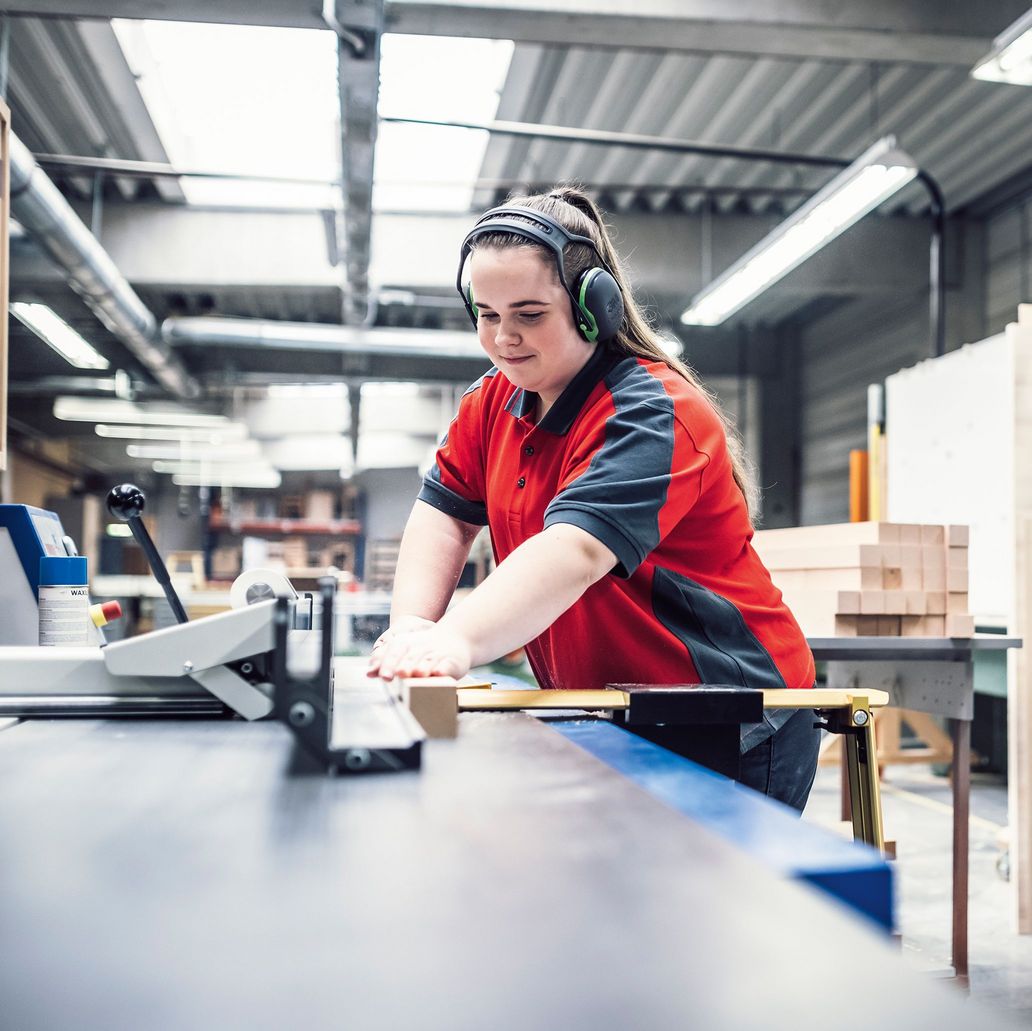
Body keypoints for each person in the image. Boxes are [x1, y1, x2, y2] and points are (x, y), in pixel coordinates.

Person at [367, 185, 820, 812]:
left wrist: (456, 641)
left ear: (593, 307)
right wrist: (412, 630)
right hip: (609, 705)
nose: (504, 338)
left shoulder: (652, 411)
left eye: (529, 315)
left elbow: (576, 550)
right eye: (487, 315)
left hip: (726, 711)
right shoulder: (489, 404)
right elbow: (444, 517)